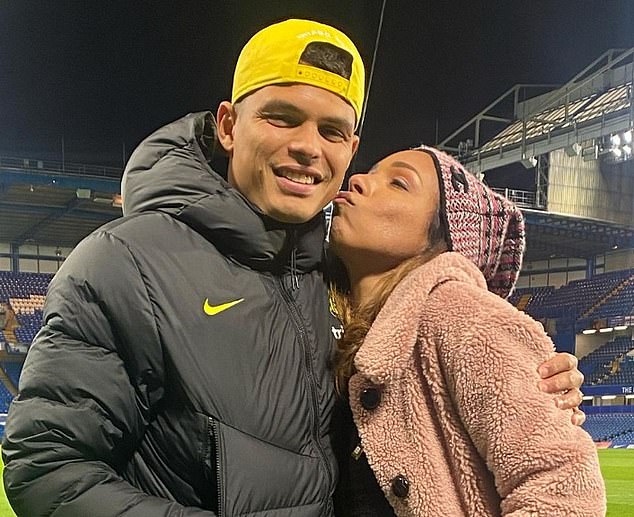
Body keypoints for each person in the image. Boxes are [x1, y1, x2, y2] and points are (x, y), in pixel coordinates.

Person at [2, 18, 585, 517]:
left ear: (349, 149)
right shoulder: (126, 261)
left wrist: (537, 385)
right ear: (229, 126)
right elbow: (48, 467)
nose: (310, 147)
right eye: (283, 117)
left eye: (332, 130)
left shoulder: (331, 282)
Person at [328, 146, 606, 516]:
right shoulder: (324, 314)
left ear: (442, 241)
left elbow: (565, 492)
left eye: (398, 183)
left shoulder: (464, 317)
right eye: (371, 172)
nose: (359, 180)